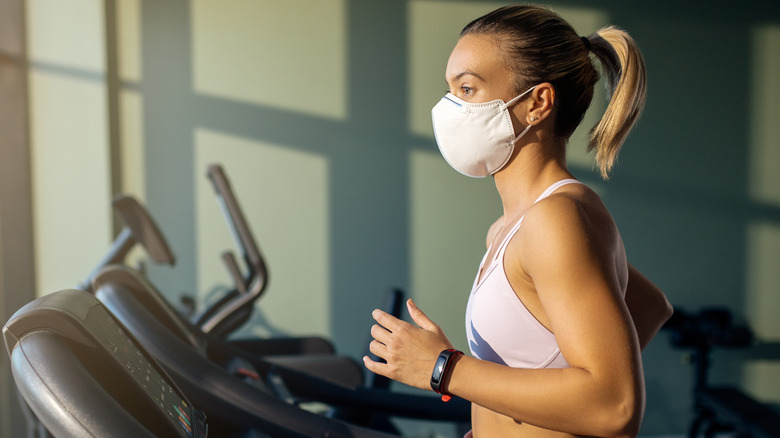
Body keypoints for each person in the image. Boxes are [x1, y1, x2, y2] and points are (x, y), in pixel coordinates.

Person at [363, 4, 673, 437]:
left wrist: (442, 368)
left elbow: (616, 407)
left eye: (467, 88)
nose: (450, 107)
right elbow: (648, 305)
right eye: (451, 90)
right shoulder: (515, 226)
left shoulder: (555, 219)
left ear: (537, 104)